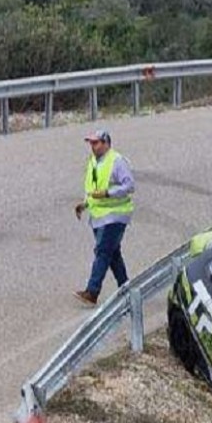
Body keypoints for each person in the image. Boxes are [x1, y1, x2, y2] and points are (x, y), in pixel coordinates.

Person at [73, 129, 135, 306]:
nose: (93, 147)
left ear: (106, 143)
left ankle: (92, 292)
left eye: (96, 143)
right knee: (112, 254)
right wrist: (84, 204)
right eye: (91, 143)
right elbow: (92, 188)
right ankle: (127, 289)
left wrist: (108, 193)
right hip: (99, 216)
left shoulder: (117, 161)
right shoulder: (93, 162)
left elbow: (129, 185)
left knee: (102, 251)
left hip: (116, 215)